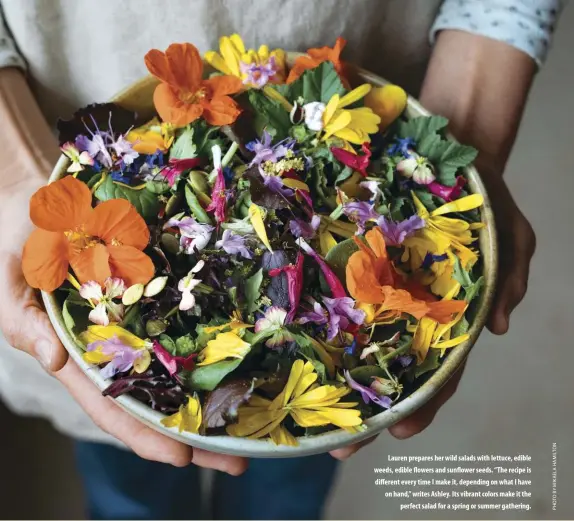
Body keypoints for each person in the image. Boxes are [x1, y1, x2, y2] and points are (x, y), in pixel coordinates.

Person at [0, 0, 557, 518]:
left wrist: (468, 121)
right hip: (57, 100)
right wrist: (12, 178)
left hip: (353, 87)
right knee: (127, 488)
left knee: (289, 487)